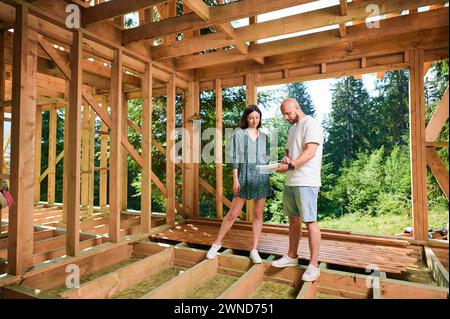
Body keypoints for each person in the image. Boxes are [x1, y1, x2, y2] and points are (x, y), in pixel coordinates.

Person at [206, 105, 272, 263]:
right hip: (243, 176)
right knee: (233, 214)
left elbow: (266, 159)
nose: (254, 120)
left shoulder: (265, 137)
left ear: (260, 119)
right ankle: (216, 244)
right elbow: (234, 158)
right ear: (246, 119)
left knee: (258, 215)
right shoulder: (239, 134)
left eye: (257, 117)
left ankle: (254, 250)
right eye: (251, 118)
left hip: (261, 179)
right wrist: (236, 179)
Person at [272, 98, 323, 282]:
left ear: (297, 107)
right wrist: (286, 160)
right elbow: (288, 153)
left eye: (288, 113)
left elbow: (310, 152)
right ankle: (291, 256)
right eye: (284, 114)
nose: (286, 117)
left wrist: (291, 166)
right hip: (291, 181)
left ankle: (314, 265)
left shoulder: (311, 124)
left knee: (310, 221)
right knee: (293, 220)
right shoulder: (292, 129)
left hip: (307, 181)